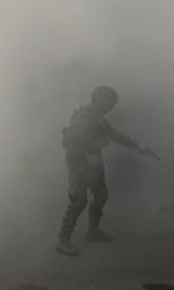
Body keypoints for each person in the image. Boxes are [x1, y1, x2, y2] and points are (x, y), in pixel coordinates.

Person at [57, 85, 159, 256]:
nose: (111, 107)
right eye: (109, 103)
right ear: (100, 100)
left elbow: (114, 135)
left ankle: (93, 230)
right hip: (80, 161)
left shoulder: (98, 118)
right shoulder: (84, 116)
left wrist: (139, 147)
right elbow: (73, 143)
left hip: (94, 160)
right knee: (79, 200)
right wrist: (82, 164)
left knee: (101, 194)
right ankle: (63, 240)